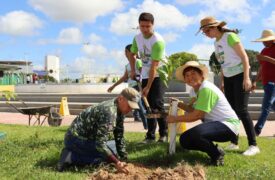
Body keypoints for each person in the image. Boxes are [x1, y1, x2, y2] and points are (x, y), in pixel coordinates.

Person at [198, 16, 260, 156]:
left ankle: (253, 145)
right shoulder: (216, 43)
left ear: (214, 27)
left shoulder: (230, 36)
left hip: (240, 76)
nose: (206, 34)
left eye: (206, 31)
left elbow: (245, 57)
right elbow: (223, 63)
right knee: (231, 111)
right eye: (204, 32)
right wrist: (223, 81)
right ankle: (234, 142)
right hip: (228, 77)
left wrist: (246, 78)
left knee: (242, 110)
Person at [166, 61, 240, 166]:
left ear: (201, 75)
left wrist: (175, 118)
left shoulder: (206, 89)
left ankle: (216, 155)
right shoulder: (195, 90)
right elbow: (192, 110)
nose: (190, 77)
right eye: (187, 75)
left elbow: (197, 115)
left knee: (196, 134)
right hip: (215, 124)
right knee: (184, 140)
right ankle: (216, 150)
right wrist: (178, 104)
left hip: (228, 125)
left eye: (193, 73)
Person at [57, 87, 140, 173]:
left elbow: (119, 136)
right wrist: (117, 162)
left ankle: (80, 154)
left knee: (114, 148)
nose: (131, 109)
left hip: (87, 138)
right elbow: (100, 143)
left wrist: (124, 159)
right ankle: (70, 157)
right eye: (129, 106)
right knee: (106, 159)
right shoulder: (109, 112)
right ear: (120, 99)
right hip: (75, 139)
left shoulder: (120, 110)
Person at [129, 12, 167, 143]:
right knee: (148, 106)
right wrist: (133, 70)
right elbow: (132, 54)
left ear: (153, 25)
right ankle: (150, 135)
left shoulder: (158, 41)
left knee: (157, 104)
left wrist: (148, 87)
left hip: (159, 74)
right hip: (145, 73)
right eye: (142, 26)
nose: (145, 29)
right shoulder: (137, 38)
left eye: (148, 26)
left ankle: (163, 134)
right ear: (138, 25)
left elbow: (154, 67)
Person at [108, 44, 147, 128]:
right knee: (123, 105)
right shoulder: (127, 65)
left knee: (140, 107)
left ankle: (147, 128)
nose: (125, 54)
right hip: (130, 88)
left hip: (137, 87)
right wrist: (113, 86)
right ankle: (117, 125)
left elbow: (143, 74)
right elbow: (124, 77)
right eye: (125, 52)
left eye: (126, 51)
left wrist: (138, 79)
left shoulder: (138, 61)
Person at [251, 30, 275, 136]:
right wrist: (255, 81)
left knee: (265, 106)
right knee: (273, 106)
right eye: (262, 41)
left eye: (265, 40)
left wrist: (265, 58)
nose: (263, 42)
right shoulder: (263, 50)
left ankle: (256, 130)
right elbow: (262, 67)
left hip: (273, 83)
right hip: (266, 82)